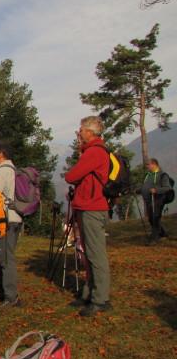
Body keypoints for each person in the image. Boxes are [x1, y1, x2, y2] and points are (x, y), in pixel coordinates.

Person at [65, 116, 112, 317]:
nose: (79, 133)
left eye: (82, 130)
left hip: (92, 207)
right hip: (89, 206)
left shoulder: (94, 152)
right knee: (90, 253)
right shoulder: (92, 151)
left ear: (90, 132)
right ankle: (89, 293)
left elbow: (71, 176)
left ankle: (100, 298)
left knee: (95, 254)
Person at [0, 141, 22, 307]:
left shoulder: (1, 171)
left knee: (6, 259)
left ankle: (10, 297)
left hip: (7, 220)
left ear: (1, 154)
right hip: (16, 217)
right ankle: (6, 293)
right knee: (7, 255)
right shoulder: (13, 169)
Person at [141, 158, 172, 244]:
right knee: (151, 218)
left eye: (148, 164)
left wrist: (156, 190)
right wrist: (139, 190)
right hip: (149, 200)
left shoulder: (163, 175)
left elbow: (167, 188)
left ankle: (154, 238)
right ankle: (163, 233)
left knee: (155, 218)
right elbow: (146, 186)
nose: (147, 166)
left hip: (158, 200)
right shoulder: (148, 175)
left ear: (154, 164)